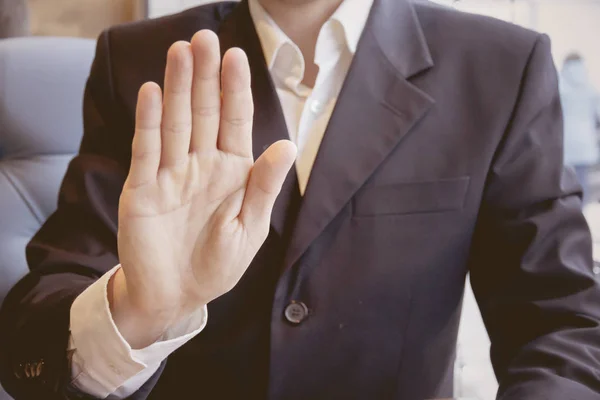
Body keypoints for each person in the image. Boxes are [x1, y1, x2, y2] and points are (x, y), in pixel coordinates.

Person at [1, 0, 600, 399]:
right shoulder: (137, 62)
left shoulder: (499, 67)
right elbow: (34, 332)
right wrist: (139, 309)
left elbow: (562, 320)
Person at [560, 52, 600, 205]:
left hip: (565, 140)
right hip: (585, 140)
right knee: (582, 181)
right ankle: (580, 212)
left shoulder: (560, 86)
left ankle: (567, 214)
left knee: (565, 183)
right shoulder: (590, 88)